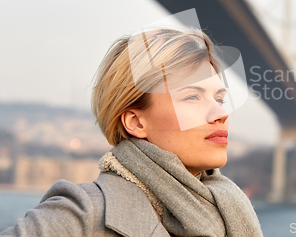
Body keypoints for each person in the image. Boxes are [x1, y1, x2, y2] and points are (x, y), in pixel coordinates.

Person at [0, 26, 264, 237]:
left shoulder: (228, 211)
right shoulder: (83, 213)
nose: (221, 114)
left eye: (218, 98)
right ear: (136, 122)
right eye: (192, 97)